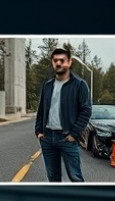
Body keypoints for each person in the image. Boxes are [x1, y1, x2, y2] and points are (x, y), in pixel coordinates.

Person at [35, 47, 92, 182]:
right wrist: (39, 131)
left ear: (69, 62)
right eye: (55, 60)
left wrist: (74, 134)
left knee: (75, 177)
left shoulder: (79, 85)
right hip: (47, 138)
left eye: (62, 60)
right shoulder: (47, 85)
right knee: (52, 178)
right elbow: (42, 109)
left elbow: (86, 110)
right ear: (52, 63)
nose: (58, 63)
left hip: (67, 138)